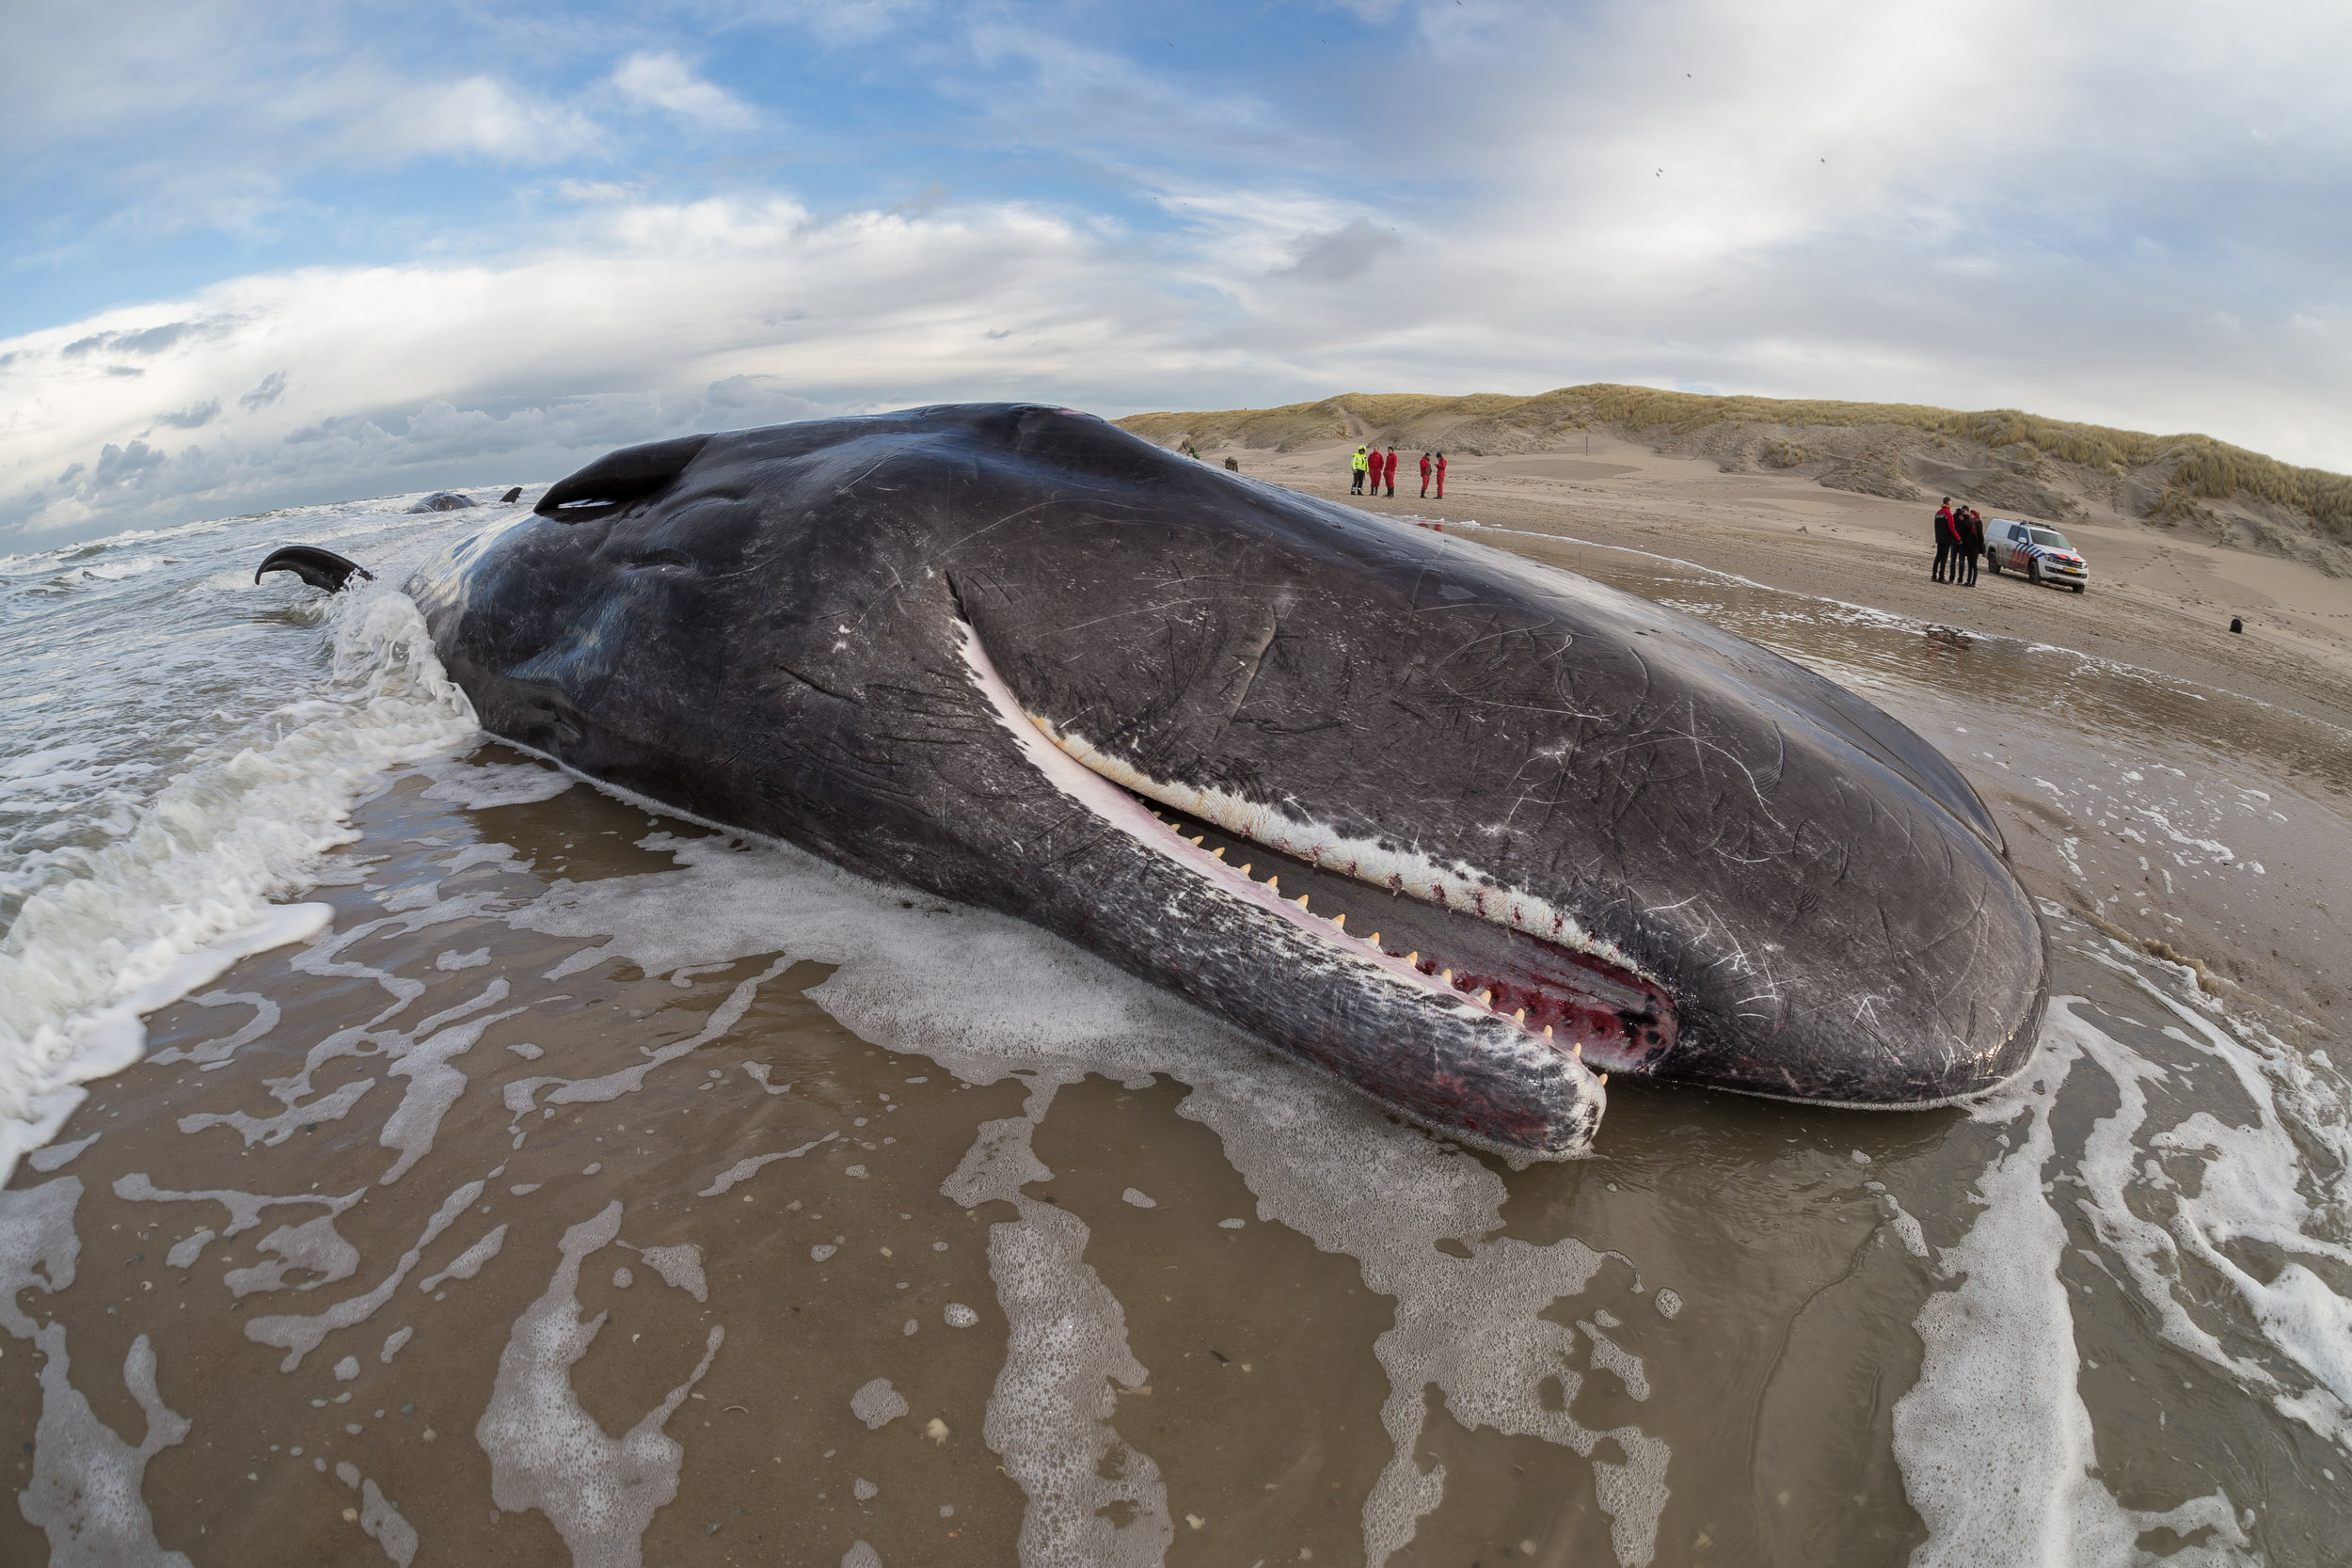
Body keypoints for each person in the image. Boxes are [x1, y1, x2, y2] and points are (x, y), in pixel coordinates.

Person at [1931, 497, 1955, 583]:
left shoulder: (1938, 513)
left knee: (1938, 557)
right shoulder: (1948, 514)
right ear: (1949, 504)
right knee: (1944, 559)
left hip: (1940, 538)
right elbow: (1952, 528)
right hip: (1946, 539)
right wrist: (1957, 538)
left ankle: (1934, 575)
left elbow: (1936, 526)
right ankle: (1941, 577)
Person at [1960, 506, 1984, 586]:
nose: (1971, 515)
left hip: (1975, 547)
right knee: (1970, 565)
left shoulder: (1978, 523)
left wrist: (1980, 546)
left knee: (1974, 565)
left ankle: (1973, 582)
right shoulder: (1969, 523)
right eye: (1970, 514)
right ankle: (1968, 581)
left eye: (1972, 514)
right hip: (1969, 547)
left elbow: (1981, 537)